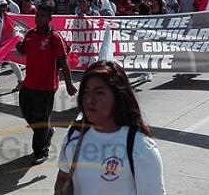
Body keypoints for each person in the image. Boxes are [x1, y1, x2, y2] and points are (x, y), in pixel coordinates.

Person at [55, 61, 166, 194]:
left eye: (99, 93)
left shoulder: (140, 146)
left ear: (119, 97)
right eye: (86, 92)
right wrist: (61, 189)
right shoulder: (75, 133)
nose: (90, 99)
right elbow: (63, 176)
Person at [16, 5, 77, 165]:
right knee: (28, 115)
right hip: (28, 84)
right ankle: (47, 132)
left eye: (43, 16)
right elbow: (23, 51)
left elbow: (63, 62)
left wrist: (69, 84)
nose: (38, 19)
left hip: (46, 87)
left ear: (50, 19)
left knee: (40, 120)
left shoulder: (54, 38)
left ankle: (40, 152)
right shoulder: (30, 34)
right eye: (37, 16)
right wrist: (17, 44)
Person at [0, 0, 24, 94]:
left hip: (11, 45)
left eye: (5, 5)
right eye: (2, 6)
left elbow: (19, 28)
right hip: (1, 45)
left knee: (13, 63)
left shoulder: (12, 17)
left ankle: (21, 82)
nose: (4, 7)